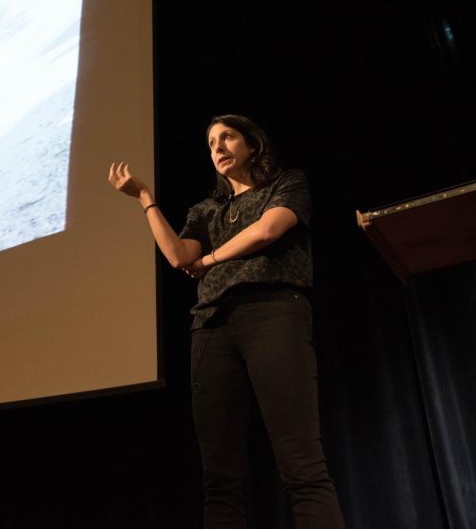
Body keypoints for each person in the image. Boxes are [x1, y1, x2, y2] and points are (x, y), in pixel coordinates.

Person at [108, 114, 345, 529]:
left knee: (301, 464)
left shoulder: (286, 183)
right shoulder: (206, 209)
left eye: (227, 137)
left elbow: (269, 230)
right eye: (211, 142)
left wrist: (212, 259)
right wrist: (145, 197)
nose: (217, 147)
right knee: (220, 479)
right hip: (212, 327)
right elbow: (180, 257)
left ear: (252, 144)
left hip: (273, 312)